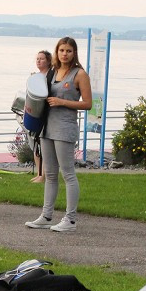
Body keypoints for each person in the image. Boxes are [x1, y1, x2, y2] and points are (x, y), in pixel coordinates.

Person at [24, 37, 92, 232]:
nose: (65, 54)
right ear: (57, 51)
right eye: (61, 50)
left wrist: (63, 102)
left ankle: (70, 219)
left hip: (64, 128)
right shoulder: (52, 72)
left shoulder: (79, 74)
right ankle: (46, 215)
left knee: (68, 173)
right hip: (47, 128)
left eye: (69, 51)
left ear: (74, 53)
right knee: (50, 174)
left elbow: (87, 103)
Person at [29, 49, 51, 183]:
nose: (39, 61)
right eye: (37, 58)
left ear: (48, 61)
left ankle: (44, 174)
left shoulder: (51, 76)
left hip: (45, 115)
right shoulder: (35, 77)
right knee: (35, 144)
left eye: (42, 58)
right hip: (35, 114)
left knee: (43, 146)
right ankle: (39, 172)